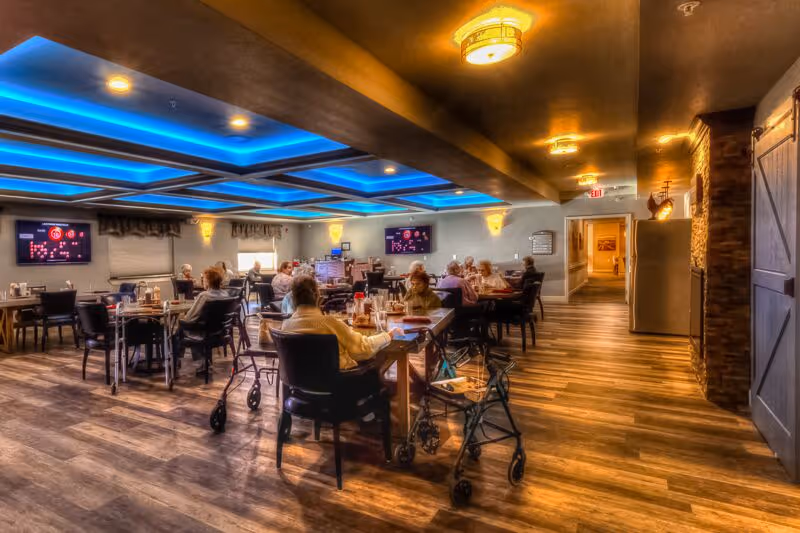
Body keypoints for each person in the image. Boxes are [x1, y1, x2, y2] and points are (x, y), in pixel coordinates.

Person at [281, 276, 404, 370]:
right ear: (317, 295)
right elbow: (363, 348)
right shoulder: (330, 323)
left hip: (300, 386)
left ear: (292, 298)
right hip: (338, 385)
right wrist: (389, 335)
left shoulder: (285, 326)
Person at [178, 267, 230, 373]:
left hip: (204, 333)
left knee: (179, 330)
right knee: (194, 327)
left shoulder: (204, 296)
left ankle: (175, 361)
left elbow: (190, 317)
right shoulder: (226, 295)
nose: (203, 281)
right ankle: (202, 362)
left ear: (208, 281)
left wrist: (181, 320)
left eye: (204, 279)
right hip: (219, 332)